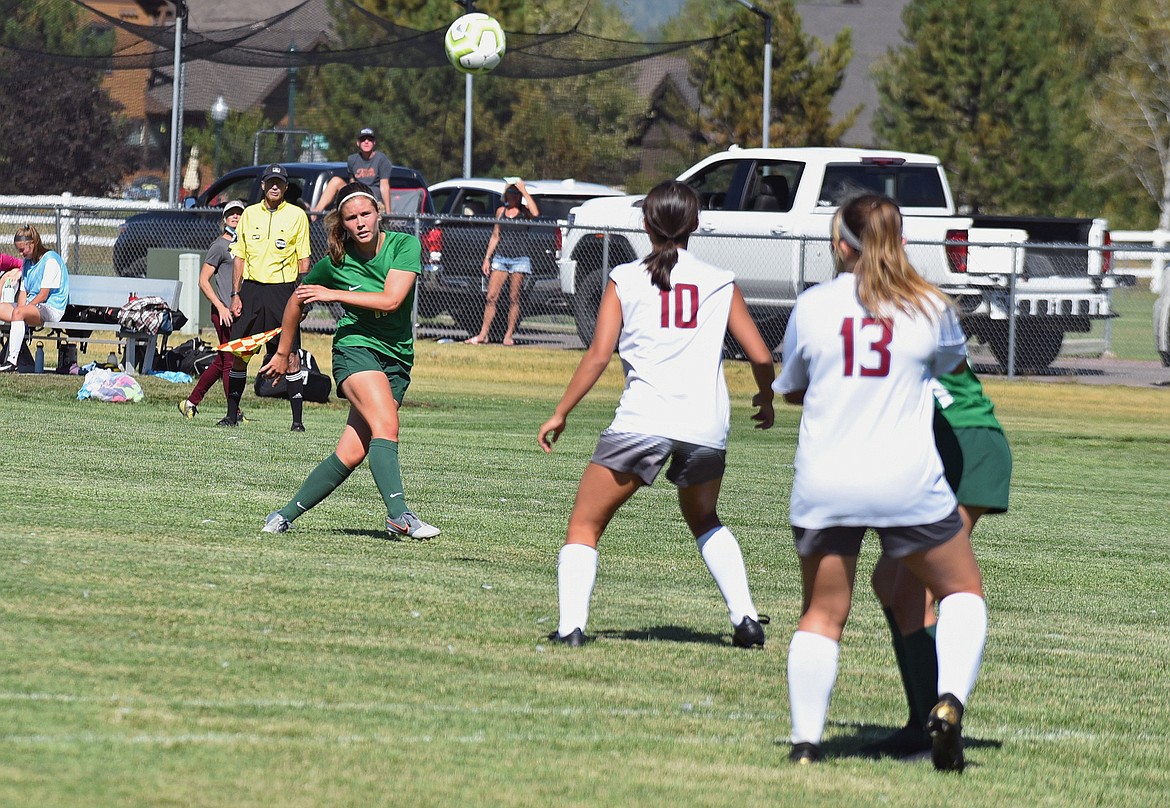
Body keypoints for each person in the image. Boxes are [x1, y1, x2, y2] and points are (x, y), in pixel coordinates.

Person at [775, 194, 987, 772]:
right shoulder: (930, 305)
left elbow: (792, 386)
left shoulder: (812, 305)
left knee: (821, 614)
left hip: (827, 478)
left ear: (842, 243)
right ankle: (948, 703)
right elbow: (948, 371)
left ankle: (805, 746)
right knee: (962, 593)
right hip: (906, 480)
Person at [537, 179, 776, 649]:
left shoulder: (625, 278)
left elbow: (597, 356)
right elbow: (763, 357)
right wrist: (765, 398)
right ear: (697, 224)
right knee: (706, 519)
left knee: (585, 526)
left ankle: (570, 629)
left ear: (645, 223)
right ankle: (746, 619)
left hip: (644, 420)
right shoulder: (720, 280)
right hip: (706, 426)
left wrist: (561, 413)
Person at [259, 182, 439, 540]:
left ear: (379, 213)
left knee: (353, 451)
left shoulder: (405, 245)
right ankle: (400, 515)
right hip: (355, 348)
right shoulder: (336, 263)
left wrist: (331, 293)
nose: (360, 222)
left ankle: (282, 515)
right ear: (342, 224)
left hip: (397, 359)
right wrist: (283, 352)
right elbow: (297, 301)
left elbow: (391, 300)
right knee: (387, 425)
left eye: (365, 214)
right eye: (351, 218)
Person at [863, 361, 1011, 759]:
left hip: (964, 442)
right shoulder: (887, 309)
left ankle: (935, 722)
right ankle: (928, 720)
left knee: (917, 587)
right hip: (939, 443)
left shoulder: (916, 309)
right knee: (890, 583)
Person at [224, 164, 311, 430]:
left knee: (291, 355)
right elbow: (239, 256)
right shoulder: (249, 214)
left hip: (282, 292)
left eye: (280, 183)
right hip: (250, 290)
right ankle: (231, 415)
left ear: (285, 187)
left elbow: (304, 261)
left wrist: (302, 297)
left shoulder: (297, 216)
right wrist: (236, 294)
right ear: (262, 185)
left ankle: (297, 422)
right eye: (270, 182)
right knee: (240, 352)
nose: (275, 186)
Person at [178, 200, 246, 419]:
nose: (235, 217)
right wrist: (221, 307)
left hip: (238, 311)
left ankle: (190, 402)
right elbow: (203, 280)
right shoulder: (219, 246)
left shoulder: (246, 245)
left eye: (239, 214)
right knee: (228, 362)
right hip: (223, 312)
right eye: (231, 214)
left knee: (222, 360)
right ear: (224, 219)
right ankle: (233, 412)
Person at [464, 180, 540, 346]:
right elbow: (495, 235)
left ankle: (509, 334)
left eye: (516, 193)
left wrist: (524, 191)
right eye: (511, 193)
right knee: (491, 296)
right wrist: (487, 258)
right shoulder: (501, 211)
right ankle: (483, 334)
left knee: (514, 297)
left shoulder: (524, 211)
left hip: (519, 259)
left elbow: (535, 213)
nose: (513, 196)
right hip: (501, 258)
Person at [0, 224, 69, 373]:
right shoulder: (27, 262)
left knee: (19, 313)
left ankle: (12, 361)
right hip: (32, 306)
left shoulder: (51, 260)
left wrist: (22, 311)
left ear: (33, 244)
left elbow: (43, 295)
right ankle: (16, 343)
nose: (20, 254)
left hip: (51, 308)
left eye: (22, 250)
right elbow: (23, 292)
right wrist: (21, 310)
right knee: (11, 311)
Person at [312, 127, 393, 214]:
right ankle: (315, 212)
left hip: (373, 199)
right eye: (363, 139)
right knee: (335, 180)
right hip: (356, 195)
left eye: (370, 139)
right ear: (358, 143)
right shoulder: (352, 160)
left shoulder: (381, 159)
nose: (366, 142)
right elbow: (352, 183)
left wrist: (388, 213)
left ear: (374, 142)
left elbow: (384, 186)